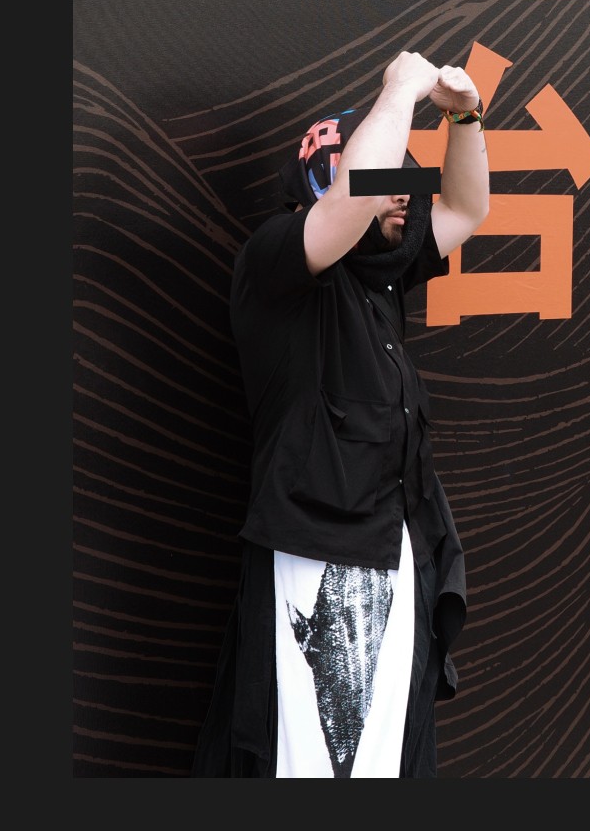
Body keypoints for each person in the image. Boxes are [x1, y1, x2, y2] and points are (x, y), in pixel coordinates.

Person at [192, 49, 490, 778]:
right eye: (391, 185)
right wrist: (400, 90)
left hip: (395, 545)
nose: (402, 200)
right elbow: (353, 200)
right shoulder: (276, 258)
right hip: (319, 560)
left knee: (386, 757)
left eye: (405, 187)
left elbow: (465, 209)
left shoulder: (380, 276)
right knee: (316, 761)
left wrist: (464, 119)